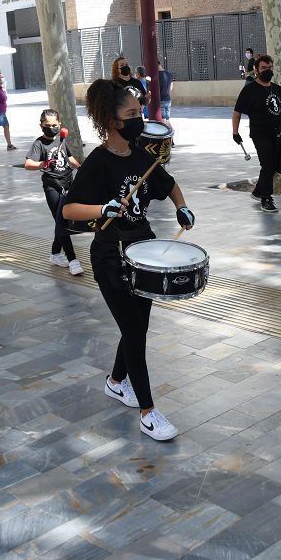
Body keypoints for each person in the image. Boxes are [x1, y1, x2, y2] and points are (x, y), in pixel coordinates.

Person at [62, 79, 195, 442]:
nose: (140, 120)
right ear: (113, 120)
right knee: (135, 330)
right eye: (132, 114)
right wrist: (100, 208)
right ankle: (148, 413)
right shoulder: (98, 162)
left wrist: (182, 207)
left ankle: (116, 381)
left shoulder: (143, 156)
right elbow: (68, 209)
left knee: (136, 328)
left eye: (140, 112)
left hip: (145, 254)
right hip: (110, 256)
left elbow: (169, 185)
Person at [231, 55, 281, 213]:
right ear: (256, 70)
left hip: (277, 133)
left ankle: (259, 191)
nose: (267, 71)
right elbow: (237, 113)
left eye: (270, 68)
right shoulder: (249, 90)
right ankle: (266, 198)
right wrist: (235, 132)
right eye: (263, 68)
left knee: (274, 166)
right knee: (267, 164)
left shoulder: (275, 88)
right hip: (260, 133)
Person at [24, 109, 83, 275]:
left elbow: (70, 158)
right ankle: (73, 260)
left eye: (54, 125)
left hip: (68, 185)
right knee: (63, 222)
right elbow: (28, 164)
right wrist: (44, 163)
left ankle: (55, 254)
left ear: (60, 125)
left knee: (61, 222)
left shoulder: (61, 140)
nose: (52, 128)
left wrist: (81, 168)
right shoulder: (39, 144)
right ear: (41, 125)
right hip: (52, 187)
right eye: (47, 125)